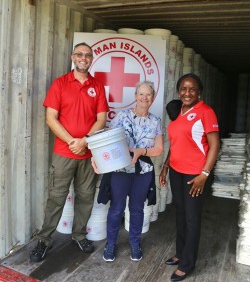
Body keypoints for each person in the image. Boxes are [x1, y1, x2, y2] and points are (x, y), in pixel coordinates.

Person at [30, 42, 109, 262]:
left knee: (85, 197)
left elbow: (101, 119)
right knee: (56, 198)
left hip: (88, 154)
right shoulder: (60, 84)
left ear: (92, 59)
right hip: (64, 154)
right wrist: (72, 141)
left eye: (88, 55)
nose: (84, 58)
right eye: (80, 54)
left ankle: (79, 235)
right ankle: (44, 240)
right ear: (73, 57)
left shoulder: (98, 86)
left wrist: (84, 141)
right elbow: (50, 118)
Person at [93, 81, 164, 262]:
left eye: (148, 95)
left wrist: (142, 151)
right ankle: (110, 244)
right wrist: (97, 159)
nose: (144, 98)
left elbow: (158, 149)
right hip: (120, 169)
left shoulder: (156, 121)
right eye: (141, 94)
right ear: (135, 96)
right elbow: (106, 140)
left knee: (137, 209)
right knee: (116, 208)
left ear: (153, 97)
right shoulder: (122, 116)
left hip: (143, 170)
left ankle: (134, 243)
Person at [159, 73, 220, 281]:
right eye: (184, 89)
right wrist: (166, 165)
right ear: (179, 91)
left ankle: (187, 264)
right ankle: (180, 253)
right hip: (176, 170)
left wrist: (204, 174)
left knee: (192, 218)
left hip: (195, 174)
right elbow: (175, 142)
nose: (187, 93)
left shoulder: (206, 112)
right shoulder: (177, 111)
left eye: (192, 89)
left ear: (199, 92)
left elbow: (214, 145)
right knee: (180, 214)